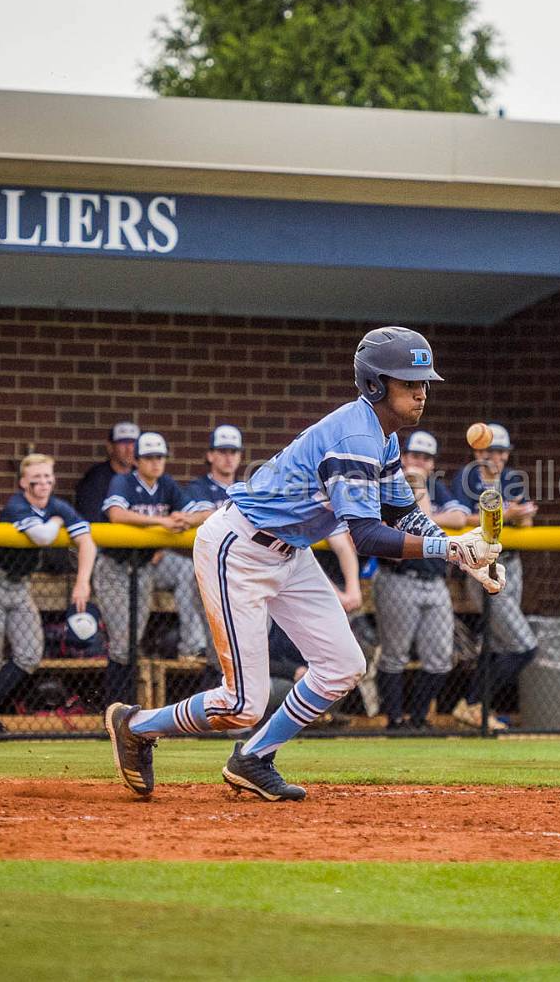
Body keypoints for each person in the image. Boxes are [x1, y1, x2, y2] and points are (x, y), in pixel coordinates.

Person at [105, 326, 502, 801]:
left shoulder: (384, 436)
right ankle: (135, 724)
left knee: (342, 665)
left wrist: (458, 551)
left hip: (288, 552)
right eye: (407, 382)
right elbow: (367, 535)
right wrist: (452, 549)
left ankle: (252, 759)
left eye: (422, 383)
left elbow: (402, 512)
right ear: (375, 384)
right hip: (240, 549)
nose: (420, 393)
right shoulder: (356, 435)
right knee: (241, 704)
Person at [0, 453, 97, 734]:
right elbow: (43, 536)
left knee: (30, 653)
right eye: (36, 479)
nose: (43, 483)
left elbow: (87, 541)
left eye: (47, 477)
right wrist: (57, 523)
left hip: (20, 585)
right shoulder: (16, 505)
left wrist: (83, 582)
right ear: (23, 482)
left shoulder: (57, 506)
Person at [96, 431, 213, 704]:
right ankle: (112, 704)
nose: (155, 463)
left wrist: (185, 517)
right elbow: (115, 514)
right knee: (122, 642)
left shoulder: (166, 484)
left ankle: (192, 645)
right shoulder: (123, 481)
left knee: (131, 641)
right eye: (148, 458)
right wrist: (162, 523)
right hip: (114, 567)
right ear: (136, 460)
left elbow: (204, 514)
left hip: (145, 567)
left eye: (159, 457)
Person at [372, 430, 467, 729]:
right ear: (404, 456)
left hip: (435, 581)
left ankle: (418, 718)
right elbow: (383, 524)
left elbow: (460, 518)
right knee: (394, 655)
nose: (419, 462)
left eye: (426, 458)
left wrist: (425, 515)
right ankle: (394, 720)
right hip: (398, 577)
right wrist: (424, 515)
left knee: (439, 657)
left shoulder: (436, 487)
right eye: (414, 455)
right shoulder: (389, 486)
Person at [450, 422, 540, 730]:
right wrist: (507, 515)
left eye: (501, 452)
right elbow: (460, 520)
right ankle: (473, 703)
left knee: (499, 644)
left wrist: (521, 516)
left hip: (512, 563)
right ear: (478, 451)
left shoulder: (512, 479)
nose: (496, 458)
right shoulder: (466, 478)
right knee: (524, 646)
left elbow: (526, 523)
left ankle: (476, 708)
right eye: (490, 451)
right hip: (481, 566)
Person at [163, 424, 246, 659]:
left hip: (241, 564)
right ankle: (196, 648)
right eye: (222, 451)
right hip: (210, 565)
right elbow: (203, 518)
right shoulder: (198, 488)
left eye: (233, 452)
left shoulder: (245, 489)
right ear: (210, 455)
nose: (228, 457)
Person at [74, 421, 139, 525]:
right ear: (110, 446)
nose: (130, 449)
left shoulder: (144, 476)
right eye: (123, 442)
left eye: (134, 443)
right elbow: (90, 518)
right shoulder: (95, 478)